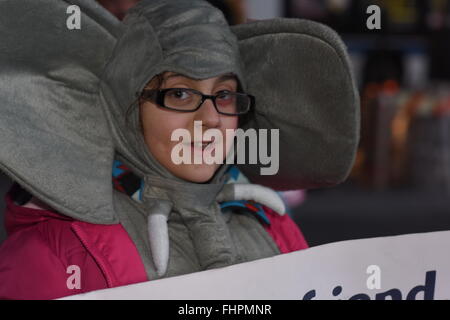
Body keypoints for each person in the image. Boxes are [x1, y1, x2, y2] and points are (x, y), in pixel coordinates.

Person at [0, 0, 359, 299]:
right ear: (125, 107)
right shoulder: (52, 257)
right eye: (179, 94)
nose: (211, 119)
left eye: (224, 94)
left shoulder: (274, 229)